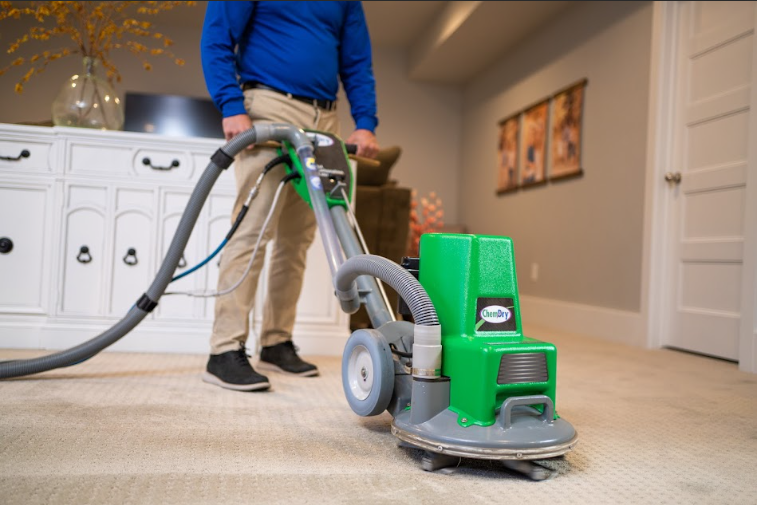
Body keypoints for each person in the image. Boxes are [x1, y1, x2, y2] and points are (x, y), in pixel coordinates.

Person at [200, 1, 379, 392]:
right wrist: (231, 105)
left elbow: (356, 61)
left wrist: (365, 122)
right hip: (268, 106)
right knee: (252, 232)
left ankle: (276, 340)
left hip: (324, 120)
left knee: (297, 242)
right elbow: (217, 38)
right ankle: (224, 349)